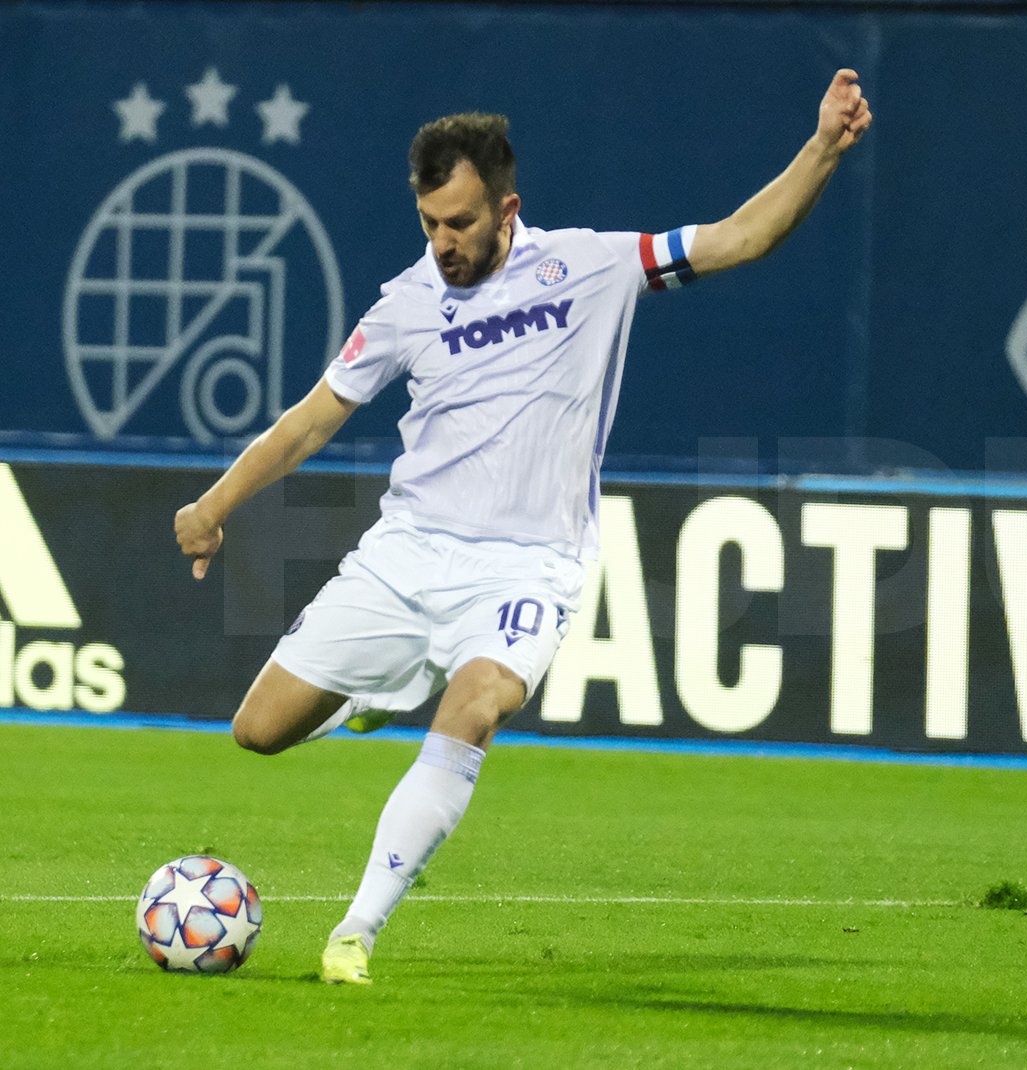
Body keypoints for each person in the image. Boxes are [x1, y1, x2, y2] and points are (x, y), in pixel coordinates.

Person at [174, 70, 872, 985]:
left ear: (508, 208)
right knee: (257, 732)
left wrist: (822, 147)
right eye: (429, 223)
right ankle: (374, 696)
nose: (443, 244)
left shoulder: (591, 266)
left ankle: (356, 930)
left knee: (474, 706)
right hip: (407, 554)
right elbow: (311, 419)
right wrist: (213, 505)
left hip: (527, 569)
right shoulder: (406, 304)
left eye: (460, 223)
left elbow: (745, 236)